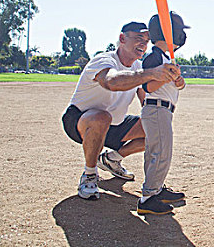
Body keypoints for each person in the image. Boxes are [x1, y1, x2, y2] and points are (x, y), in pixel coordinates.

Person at [61, 21, 181, 200]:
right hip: (81, 120)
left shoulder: (138, 68)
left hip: (115, 125)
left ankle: (112, 159)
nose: (143, 44)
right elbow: (111, 82)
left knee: (154, 128)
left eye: (147, 40)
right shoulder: (104, 60)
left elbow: (146, 101)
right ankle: (89, 175)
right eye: (139, 38)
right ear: (122, 38)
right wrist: (150, 74)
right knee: (101, 117)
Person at [136, 12, 190, 215]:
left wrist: (178, 81)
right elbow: (148, 86)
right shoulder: (154, 57)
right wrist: (167, 77)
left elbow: (174, 85)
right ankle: (148, 198)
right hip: (156, 107)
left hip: (163, 110)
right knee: (161, 153)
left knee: (155, 152)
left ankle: (156, 189)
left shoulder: (166, 58)